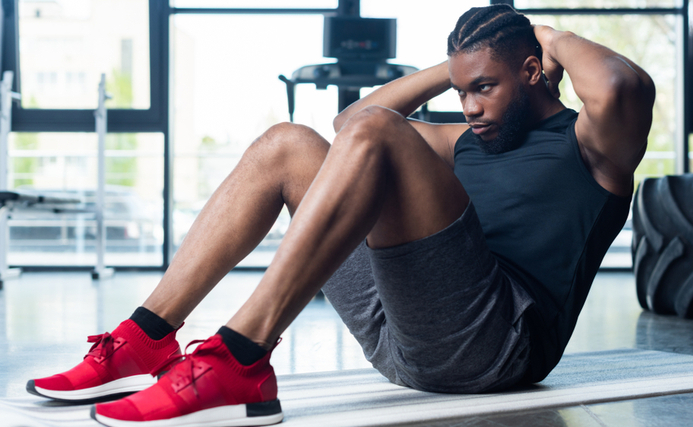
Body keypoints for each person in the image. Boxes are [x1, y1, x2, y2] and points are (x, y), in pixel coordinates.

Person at [27, 4, 655, 426]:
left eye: (483, 88)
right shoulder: (465, 139)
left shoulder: (594, 145)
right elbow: (348, 128)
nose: (467, 106)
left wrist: (545, 35)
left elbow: (623, 85)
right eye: (461, 91)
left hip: (496, 347)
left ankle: (239, 355)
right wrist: (465, 64)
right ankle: (145, 337)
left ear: (533, 71)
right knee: (289, 143)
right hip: (404, 338)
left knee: (381, 131)